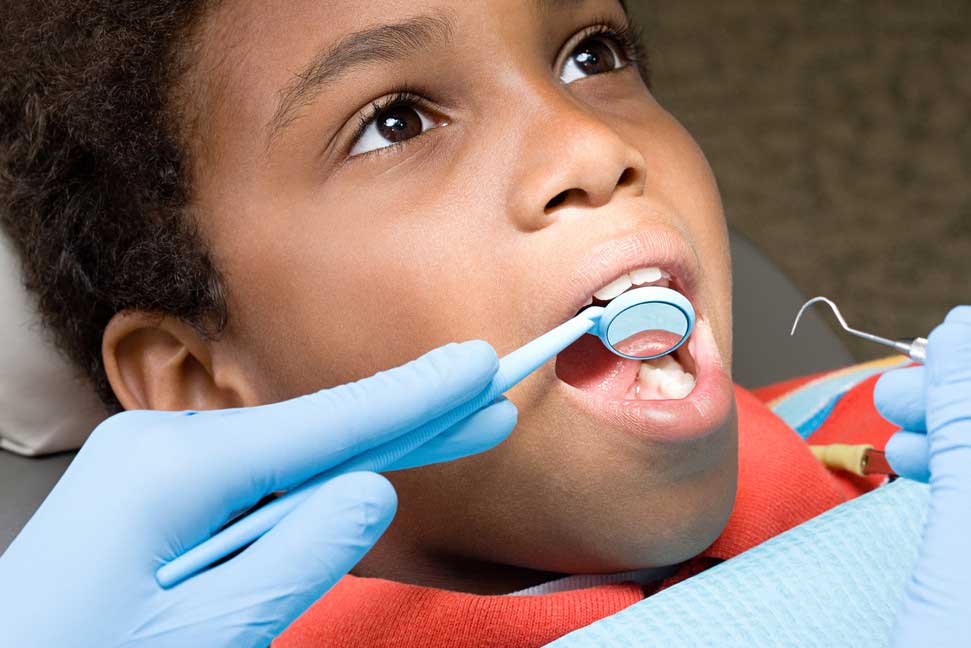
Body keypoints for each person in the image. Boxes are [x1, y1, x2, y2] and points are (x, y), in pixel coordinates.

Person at [0, 1, 966, 646]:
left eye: (593, 53)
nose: (593, 145)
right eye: (395, 121)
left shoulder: (904, 438)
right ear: (198, 385)